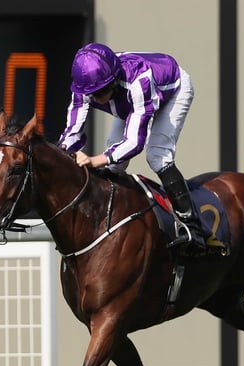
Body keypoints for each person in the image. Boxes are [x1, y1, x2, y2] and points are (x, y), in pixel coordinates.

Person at [58, 42, 206, 252]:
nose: (98, 98)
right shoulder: (84, 88)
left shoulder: (139, 82)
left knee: (157, 155)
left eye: (102, 91)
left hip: (173, 90)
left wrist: (93, 160)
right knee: (114, 164)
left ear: (114, 79)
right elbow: (72, 131)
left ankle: (192, 227)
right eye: (94, 94)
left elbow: (135, 142)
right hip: (128, 101)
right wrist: (61, 154)